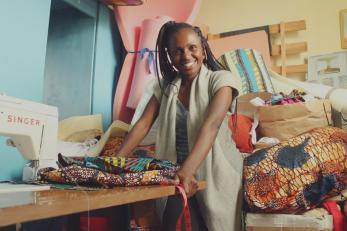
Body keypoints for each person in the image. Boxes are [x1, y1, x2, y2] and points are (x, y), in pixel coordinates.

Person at [117, 21, 243, 231]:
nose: (186, 56)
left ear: (203, 48)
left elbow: (211, 125)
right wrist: (114, 161)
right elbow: (143, 124)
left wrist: (187, 170)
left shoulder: (221, 80)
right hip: (177, 172)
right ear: (169, 55)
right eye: (177, 51)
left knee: (216, 224)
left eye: (192, 48)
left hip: (217, 171)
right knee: (172, 224)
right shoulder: (164, 87)